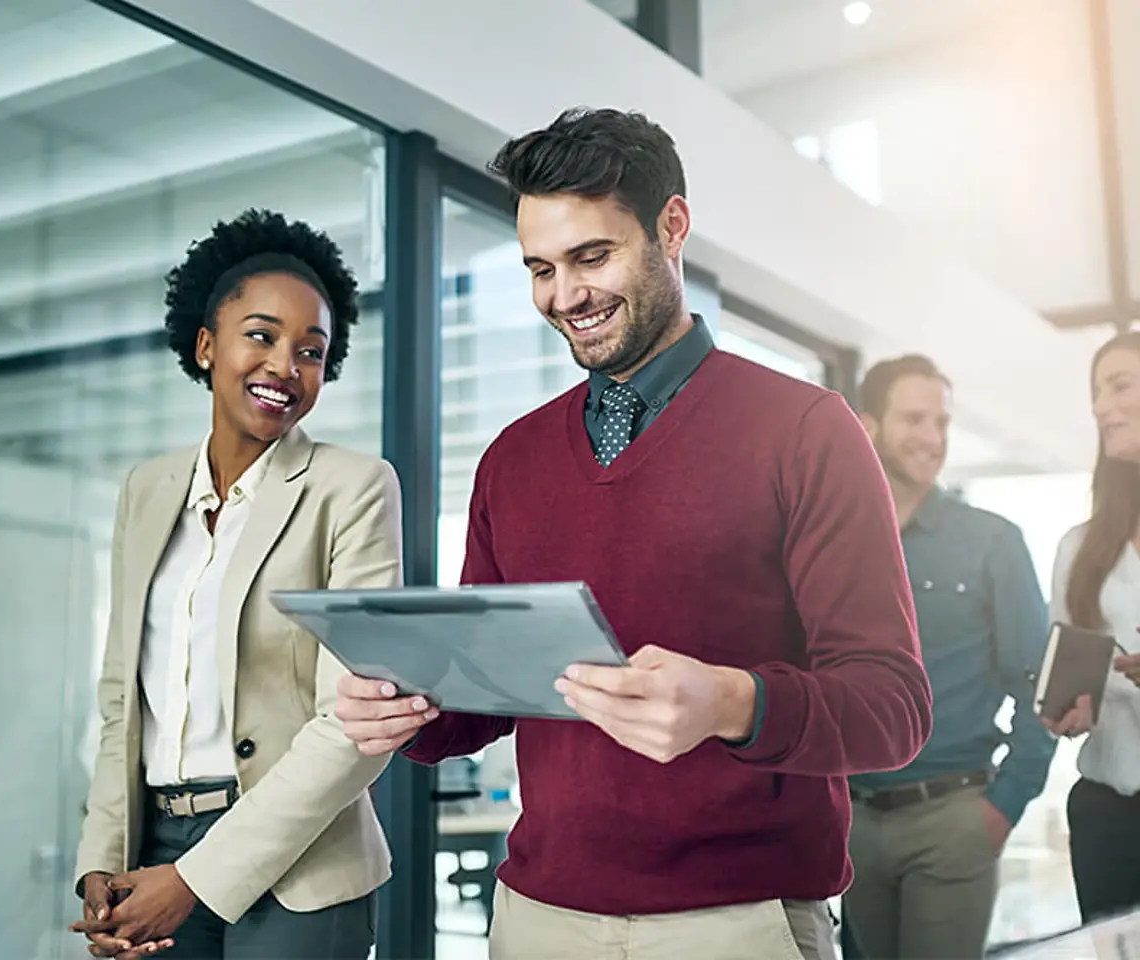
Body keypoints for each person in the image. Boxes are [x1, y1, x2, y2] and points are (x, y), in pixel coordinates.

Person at [335, 107, 933, 960]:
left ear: (672, 227)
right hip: (539, 918)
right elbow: (485, 697)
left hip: (739, 922)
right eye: (540, 268)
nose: (564, 296)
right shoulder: (513, 458)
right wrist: (407, 705)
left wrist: (733, 703)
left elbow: (893, 707)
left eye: (592, 256)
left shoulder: (807, 429)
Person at [69, 209, 403, 960]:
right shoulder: (146, 490)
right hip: (150, 847)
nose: (286, 365)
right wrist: (103, 856)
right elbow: (122, 694)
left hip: (302, 864)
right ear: (206, 344)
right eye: (261, 335)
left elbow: (358, 724)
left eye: (311, 351)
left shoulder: (352, 489)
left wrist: (196, 878)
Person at [840, 355, 1053, 959]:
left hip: (954, 817)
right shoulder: (832, 536)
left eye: (941, 423)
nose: (933, 439)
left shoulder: (993, 541)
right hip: (851, 822)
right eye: (915, 419)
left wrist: (1003, 807)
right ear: (868, 424)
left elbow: (1038, 686)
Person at [1044, 331, 1140, 923]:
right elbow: (1065, 664)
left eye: (1120, 386)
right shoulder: (1079, 548)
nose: (1102, 405)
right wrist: (1064, 709)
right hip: (1106, 812)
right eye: (1097, 391)